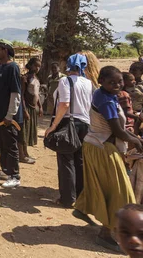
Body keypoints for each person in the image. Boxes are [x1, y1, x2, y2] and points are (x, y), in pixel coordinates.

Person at [74, 66, 143, 252]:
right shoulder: (104, 99)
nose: (117, 85)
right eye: (112, 82)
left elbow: (116, 121)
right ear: (101, 81)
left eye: (119, 81)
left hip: (96, 145)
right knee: (120, 192)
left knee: (102, 185)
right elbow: (118, 131)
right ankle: (105, 234)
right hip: (102, 148)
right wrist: (136, 141)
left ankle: (82, 207)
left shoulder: (105, 95)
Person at [44, 53, 93, 208]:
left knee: (66, 161)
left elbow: (64, 105)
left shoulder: (65, 81)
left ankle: (67, 198)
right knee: (79, 161)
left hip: (68, 123)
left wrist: (52, 126)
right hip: (85, 125)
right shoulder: (88, 83)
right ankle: (80, 196)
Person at [0, 41, 23, 189]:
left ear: (6, 51)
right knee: (2, 144)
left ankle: (14, 176)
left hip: (9, 116)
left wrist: (10, 115)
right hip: (0, 114)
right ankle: (5, 170)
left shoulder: (12, 67)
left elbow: (15, 93)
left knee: (11, 145)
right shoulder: (1, 67)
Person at [20, 57, 42, 164]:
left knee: (29, 131)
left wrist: (40, 106)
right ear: (31, 65)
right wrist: (24, 110)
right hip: (27, 107)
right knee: (24, 131)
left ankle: (26, 153)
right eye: (35, 65)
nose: (37, 68)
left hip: (33, 108)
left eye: (39, 66)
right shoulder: (26, 78)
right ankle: (22, 154)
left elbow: (37, 94)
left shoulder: (36, 78)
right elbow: (22, 96)